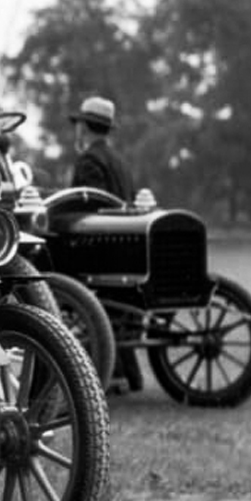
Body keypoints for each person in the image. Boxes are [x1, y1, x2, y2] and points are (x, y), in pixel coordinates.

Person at [69, 95, 140, 391]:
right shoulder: (119, 161)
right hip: (124, 249)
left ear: (84, 128)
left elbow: (91, 207)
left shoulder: (89, 160)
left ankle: (112, 374)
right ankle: (128, 375)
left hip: (99, 251)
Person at [68, 96, 135, 202]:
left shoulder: (88, 161)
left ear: (83, 127)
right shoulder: (122, 163)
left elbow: (88, 206)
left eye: (78, 123)